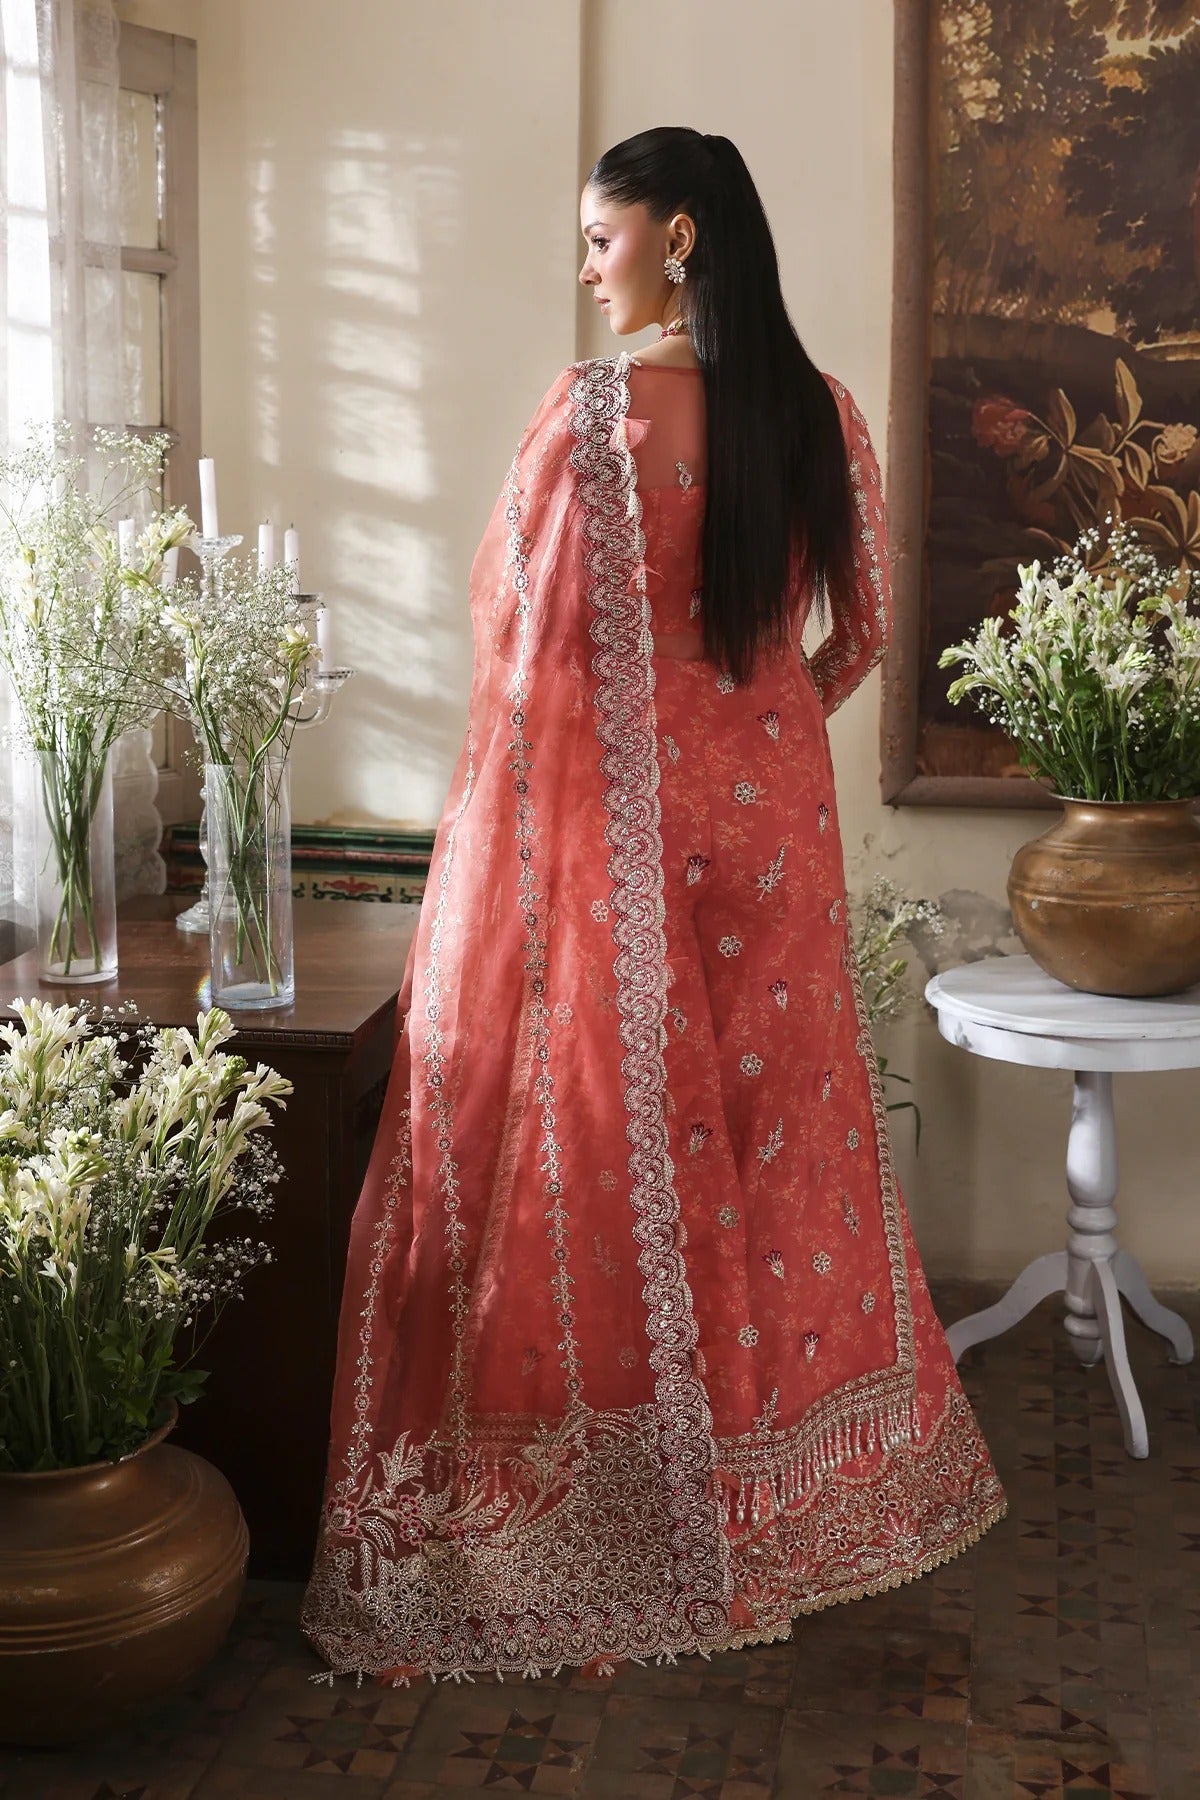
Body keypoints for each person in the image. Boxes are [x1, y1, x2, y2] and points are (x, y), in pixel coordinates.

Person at [302, 126, 1005, 1686]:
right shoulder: (821, 414)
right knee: (780, 1137)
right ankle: (777, 1489)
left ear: (680, 236)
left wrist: (633, 755)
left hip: (628, 836)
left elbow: (518, 643)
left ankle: (642, 1502)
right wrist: (756, 724)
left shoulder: (595, 416)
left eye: (599, 238)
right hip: (778, 834)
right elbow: (869, 630)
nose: (587, 267)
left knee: (616, 1139)